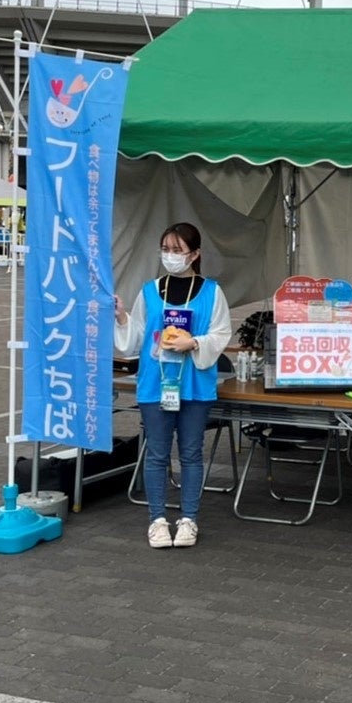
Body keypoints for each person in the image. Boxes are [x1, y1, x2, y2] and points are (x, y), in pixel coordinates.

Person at [114, 222, 232, 549]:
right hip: (156, 383)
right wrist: (122, 317)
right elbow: (137, 337)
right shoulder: (150, 290)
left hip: (194, 384)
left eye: (177, 250)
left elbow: (221, 333)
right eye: (165, 249)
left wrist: (193, 343)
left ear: (194, 254)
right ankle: (157, 520)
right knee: (156, 452)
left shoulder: (212, 292)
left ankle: (189, 518)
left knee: (191, 453)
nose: (170, 256)